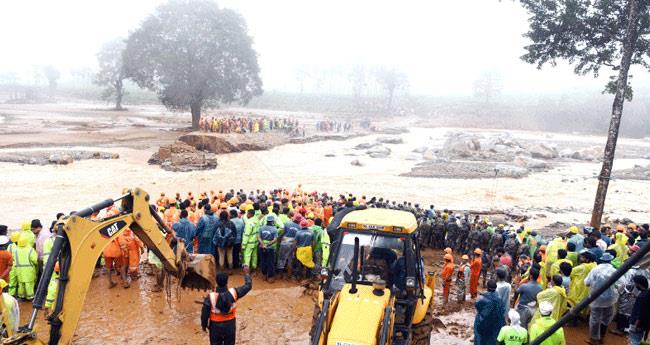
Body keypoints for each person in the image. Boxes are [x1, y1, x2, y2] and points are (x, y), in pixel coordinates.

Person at [201, 268, 252, 345]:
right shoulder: (234, 293)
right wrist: (247, 274)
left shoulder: (210, 297)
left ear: (216, 282)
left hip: (215, 327)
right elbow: (248, 286)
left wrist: (204, 326)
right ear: (227, 281)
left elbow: (204, 314)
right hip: (230, 325)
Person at [584, 252, 618, 345]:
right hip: (610, 298)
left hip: (597, 297)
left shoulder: (595, 270)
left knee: (595, 318)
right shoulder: (614, 270)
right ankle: (602, 337)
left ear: (602, 260)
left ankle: (594, 338)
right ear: (610, 260)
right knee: (606, 318)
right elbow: (621, 283)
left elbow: (587, 282)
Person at [474, 279, 506, 345]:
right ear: (495, 288)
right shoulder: (499, 298)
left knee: (480, 338)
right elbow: (502, 310)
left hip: (483, 322)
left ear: (487, 287)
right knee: (492, 339)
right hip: (495, 323)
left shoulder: (482, 298)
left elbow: (477, 307)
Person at [14, 234, 38, 300]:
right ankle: (30, 297)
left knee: (21, 284)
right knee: (29, 284)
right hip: (29, 270)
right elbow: (35, 260)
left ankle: (21, 296)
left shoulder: (15, 250)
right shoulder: (30, 250)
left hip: (19, 270)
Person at [629, 275, 650, 345]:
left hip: (638, 324)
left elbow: (640, 314)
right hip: (645, 323)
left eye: (635, 283)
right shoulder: (648, 292)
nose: (634, 285)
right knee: (638, 339)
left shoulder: (641, 297)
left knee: (634, 341)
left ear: (639, 284)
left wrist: (634, 326)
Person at [258, 216, 278, 282]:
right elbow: (275, 239)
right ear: (272, 222)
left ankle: (264, 275)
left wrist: (263, 244)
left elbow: (258, 237)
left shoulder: (261, 228)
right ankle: (270, 276)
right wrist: (268, 244)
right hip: (270, 248)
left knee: (263, 261)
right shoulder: (274, 229)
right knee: (270, 262)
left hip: (262, 247)